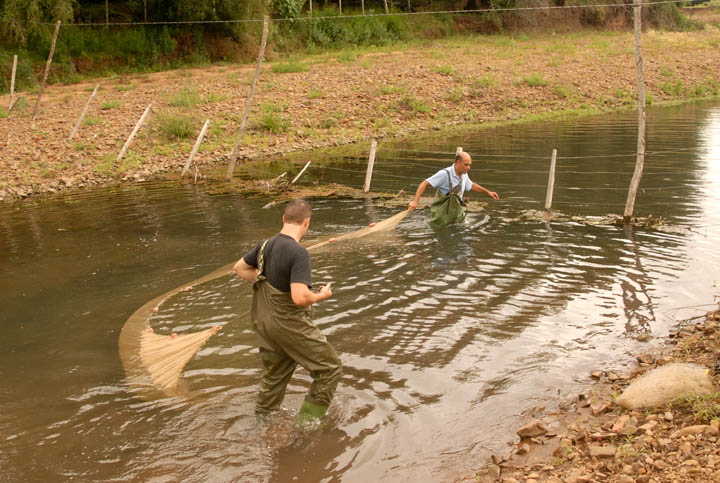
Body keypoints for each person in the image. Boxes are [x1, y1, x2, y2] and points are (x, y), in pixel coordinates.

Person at [233, 199, 342, 423]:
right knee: (330, 368)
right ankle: (308, 424)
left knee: (275, 376)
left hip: (264, 323)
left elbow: (240, 268)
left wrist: (264, 279)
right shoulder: (299, 253)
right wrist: (321, 295)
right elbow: (300, 297)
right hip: (288, 324)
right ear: (307, 223)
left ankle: (263, 422)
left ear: (284, 219)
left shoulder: (265, 245)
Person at [408, 151, 499, 226]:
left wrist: (488, 192)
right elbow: (424, 183)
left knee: (466, 231)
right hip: (442, 215)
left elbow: (471, 185)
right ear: (458, 163)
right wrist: (415, 201)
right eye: (466, 165)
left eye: (469, 165)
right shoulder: (444, 174)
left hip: (457, 214)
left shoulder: (464, 174)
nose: (469, 167)